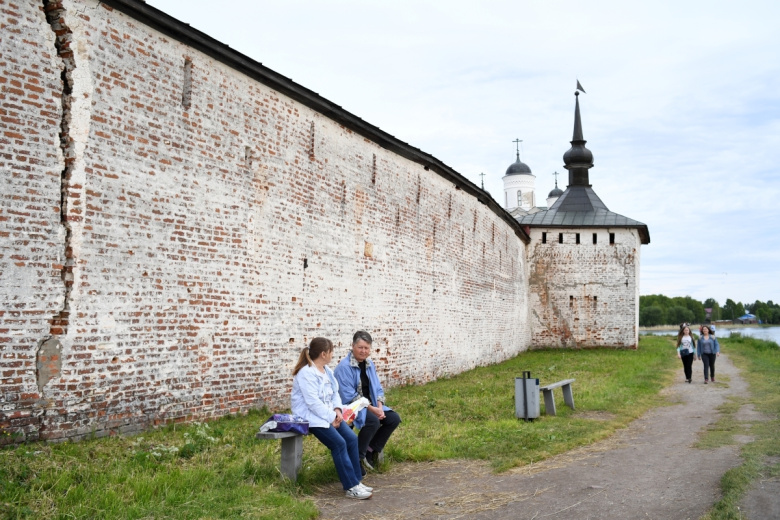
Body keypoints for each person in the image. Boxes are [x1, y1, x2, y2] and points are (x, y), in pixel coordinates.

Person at [291, 337, 373, 499]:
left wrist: (337, 410)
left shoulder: (327, 371)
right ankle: (350, 487)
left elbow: (335, 393)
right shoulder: (306, 373)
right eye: (331, 352)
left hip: (330, 415)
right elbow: (312, 403)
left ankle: (356, 481)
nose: (332, 355)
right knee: (339, 444)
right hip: (311, 418)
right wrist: (331, 416)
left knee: (351, 439)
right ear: (323, 354)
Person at [335, 330, 402, 474]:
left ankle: (371, 450)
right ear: (353, 346)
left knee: (393, 419)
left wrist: (379, 406)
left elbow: (377, 388)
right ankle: (357, 458)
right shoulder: (344, 367)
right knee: (373, 421)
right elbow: (349, 396)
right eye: (360, 347)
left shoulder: (369, 364)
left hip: (371, 405)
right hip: (352, 407)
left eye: (366, 348)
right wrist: (373, 410)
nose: (363, 351)